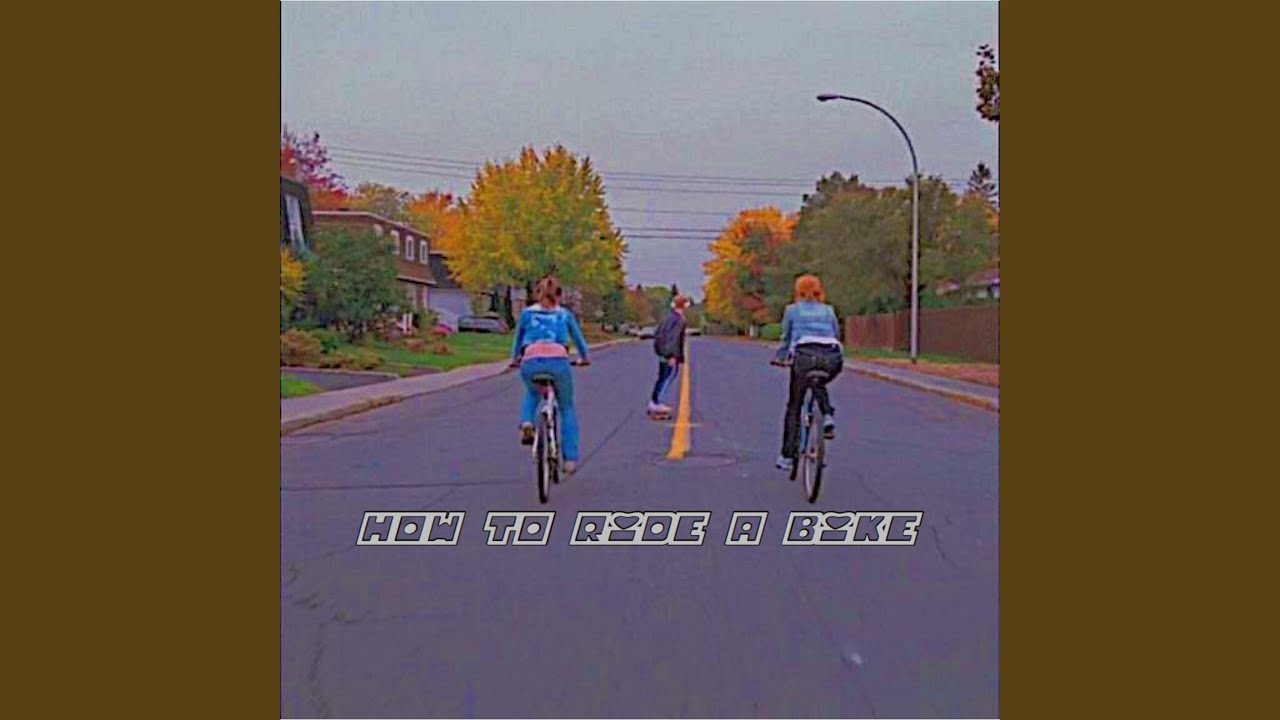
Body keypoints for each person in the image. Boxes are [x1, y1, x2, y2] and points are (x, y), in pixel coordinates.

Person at [510, 276, 591, 474]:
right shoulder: (564, 315)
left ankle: (527, 422)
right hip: (558, 361)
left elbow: (518, 339)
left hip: (531, 359)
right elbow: (579, 341)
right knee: (566, 407)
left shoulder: (527, 313)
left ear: (538, 293)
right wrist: (584, 358)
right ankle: (570, 458)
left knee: (532, 393)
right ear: (559, 295)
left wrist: (514, 359)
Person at [773, 274, 844, 471]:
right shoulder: (828, 310)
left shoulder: (792, 310)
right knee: (818, 380)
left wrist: (781, 357)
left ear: (798, 291)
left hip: (803, 357)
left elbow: (786, 338)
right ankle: (827, 415)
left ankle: (787, 456)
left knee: (794, 406)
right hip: (831, 358)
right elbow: (836, 334)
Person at [649, 295, 690, 416]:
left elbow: (658, 334)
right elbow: (673, 338)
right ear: (684, 306)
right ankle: (656, 403)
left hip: (662, 352)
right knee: (667, 377)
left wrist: (661, 351)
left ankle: (654, 402)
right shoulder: (679, 320)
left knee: (662, 377)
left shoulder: (667, 318)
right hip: (669, 354)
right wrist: (672, 355)